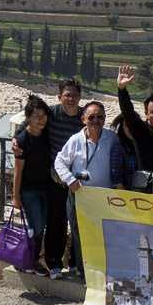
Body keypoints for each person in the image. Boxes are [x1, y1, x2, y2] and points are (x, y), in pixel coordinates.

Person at [12, 78, 84, 280]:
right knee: (55, 222)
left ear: (80, 97)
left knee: (80, 223)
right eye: (67, 95)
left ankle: (77, 263)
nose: (71, 99)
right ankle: (53, 263)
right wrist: (16, 138)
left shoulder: (84, 117)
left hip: (79, 181)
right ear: (60, 97)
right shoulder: (52, 114)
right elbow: (29, 123)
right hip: (55, 179)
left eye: (75, 95)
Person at [54, 101, 120, 276]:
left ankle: (101, 271)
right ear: (83, 119)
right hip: (79, 196)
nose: (96, 120)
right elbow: (59, 161)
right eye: (91, 117)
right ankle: (85, 273)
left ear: (105, 118)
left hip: (103, 199)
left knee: (102, 235)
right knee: (80, 236)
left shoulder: (112, 138)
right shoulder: (75, 140)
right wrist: (69, 179)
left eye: (100, 116)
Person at [12, 96, 52, 277]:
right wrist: (15, 197)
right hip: (29, 190)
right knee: (36, 226)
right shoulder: (22, 141)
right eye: (37, 116)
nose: (41, 119)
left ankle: (25, 259)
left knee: (40, 225)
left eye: (43, 115)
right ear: (28, 117)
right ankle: (32, 260)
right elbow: (17, 172)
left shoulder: (46, 132)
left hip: (45, 187)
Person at [110, 113, 137, 190]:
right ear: (122, 128)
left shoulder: (144, 145)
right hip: (129, 194)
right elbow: (117, 179)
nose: (131, 128)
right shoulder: (118, 149)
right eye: (126, 125)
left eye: (133, 124)